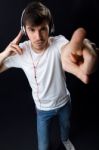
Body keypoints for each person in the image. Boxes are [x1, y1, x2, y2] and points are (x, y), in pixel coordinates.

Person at [0, 1, 98, 150]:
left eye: (43, 29)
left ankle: (65, 140)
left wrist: (80, 55)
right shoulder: (21, 52)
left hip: (64, 103)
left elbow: (67, 49)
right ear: (25, 30)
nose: (38, 36)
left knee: (66, 127)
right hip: (42, 110)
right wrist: (4, 53)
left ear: (50, 28)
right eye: (32, 30)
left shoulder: (58, 42)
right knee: (43, 146)